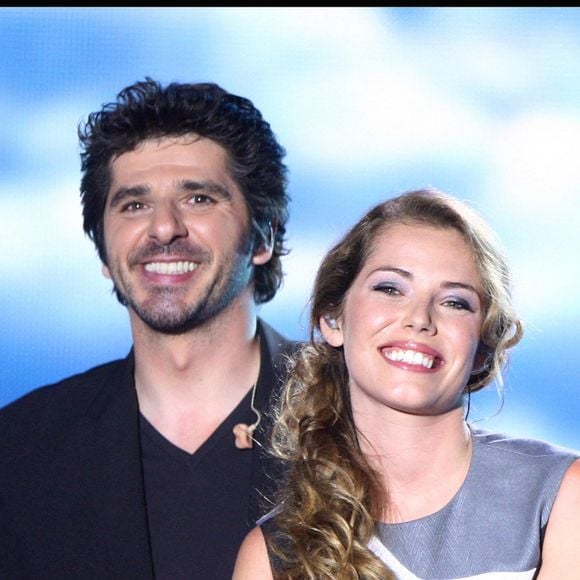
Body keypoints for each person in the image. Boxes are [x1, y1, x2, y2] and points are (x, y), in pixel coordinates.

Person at [0, 78, 298, 579]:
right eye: (134, 205)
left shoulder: (363, 418)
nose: (163, 228)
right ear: (102, 249)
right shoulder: (19, 452)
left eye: (199, 199)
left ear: (263, 235)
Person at [233, 188, 580, 579]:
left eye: (455, 302)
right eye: (390, 289)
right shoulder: (275, 554)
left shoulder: (560, 497)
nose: (419, 319)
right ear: (333, 319)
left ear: (483, 347)